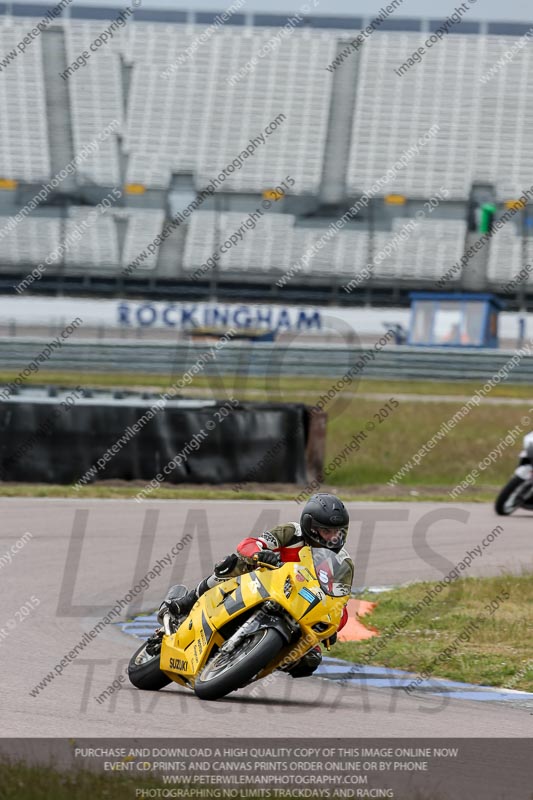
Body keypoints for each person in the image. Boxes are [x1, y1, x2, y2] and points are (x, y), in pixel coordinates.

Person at [152, 493, 353, 678]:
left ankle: (260, 657)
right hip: (266, 582)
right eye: (326, 531)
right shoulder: (292, 532)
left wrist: (333, 628)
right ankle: (186, 602)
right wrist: (258, 553)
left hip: (300, 607)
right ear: (310, 525)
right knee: (233, 563)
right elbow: (249, 544)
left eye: (337, 532)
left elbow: (340, 603)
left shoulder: (342, 562)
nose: (332, 537)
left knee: (310, 660)